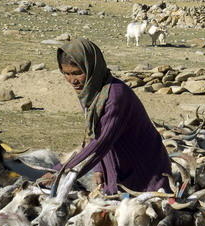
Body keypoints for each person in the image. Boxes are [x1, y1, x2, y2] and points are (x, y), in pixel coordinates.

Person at [49, 39, 170, 195]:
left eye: (78, 72)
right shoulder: (92, 92)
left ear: (92, 67)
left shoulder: (114, 96)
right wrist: (99, 167)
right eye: (66, 74)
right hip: (118, 168)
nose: (73, 80)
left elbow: (101, 142)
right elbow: (94, 133)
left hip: (145, 170)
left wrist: (59, 171)